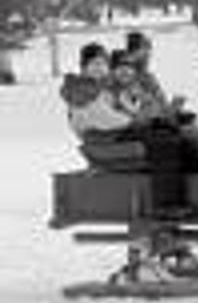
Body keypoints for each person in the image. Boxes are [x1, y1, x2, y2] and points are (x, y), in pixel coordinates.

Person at [59, 43, 190, 215]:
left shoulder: (99, 87)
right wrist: (137, 121)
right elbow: (105, 118)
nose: (99, 68)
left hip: (112, 135)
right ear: (84, 67)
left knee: (166, 134)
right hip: (105, 139)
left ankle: (174, 195)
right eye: (94, 64)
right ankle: (165, 203)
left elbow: (121, 112)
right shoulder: (83, 90)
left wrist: (148, 117)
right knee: (162, 142)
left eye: (103, 64)